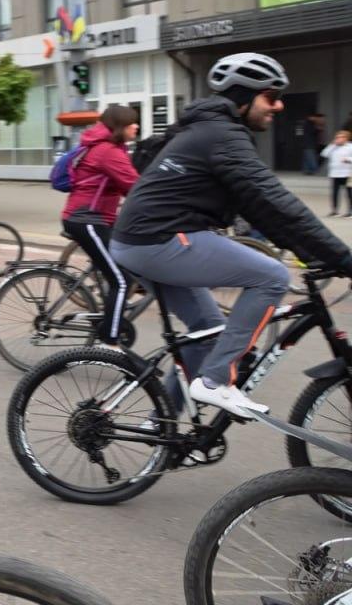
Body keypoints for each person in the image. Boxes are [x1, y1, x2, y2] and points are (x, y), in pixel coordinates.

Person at [111, 53, 352, 415]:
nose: (279, 105)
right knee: (271, 275)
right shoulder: (222, 135)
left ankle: (163, 424)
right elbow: (276, 200)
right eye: (271, 97)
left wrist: (315, 253)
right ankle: (216, 381)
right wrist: (343, 257)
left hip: (139, 242)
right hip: (158, 241)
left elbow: (261, 208)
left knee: (207, 327)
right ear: (244, 98)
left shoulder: (210, 131)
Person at [60, 107, 140, 346]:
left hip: (95, 219)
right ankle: (110, 341)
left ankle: (109, 313)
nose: (136, 126)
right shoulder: (108, 151)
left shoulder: (110, 148)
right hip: (87, 220)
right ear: (120, 126)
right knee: (121, 281)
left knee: (125, 262)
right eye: (131, 123)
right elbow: (135, 186)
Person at [321, 130, 352, 217]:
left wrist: (348, 159)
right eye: (337, 137)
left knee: (349, 193)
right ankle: (334, 210)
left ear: (346, 138)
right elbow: (324, 154)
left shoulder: (350, 146)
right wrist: (332, 145)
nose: (339, 139)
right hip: (335, 173)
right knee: (334, 193)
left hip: (347, 173)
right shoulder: (333, 147)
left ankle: (350, 211)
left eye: (341, 137)